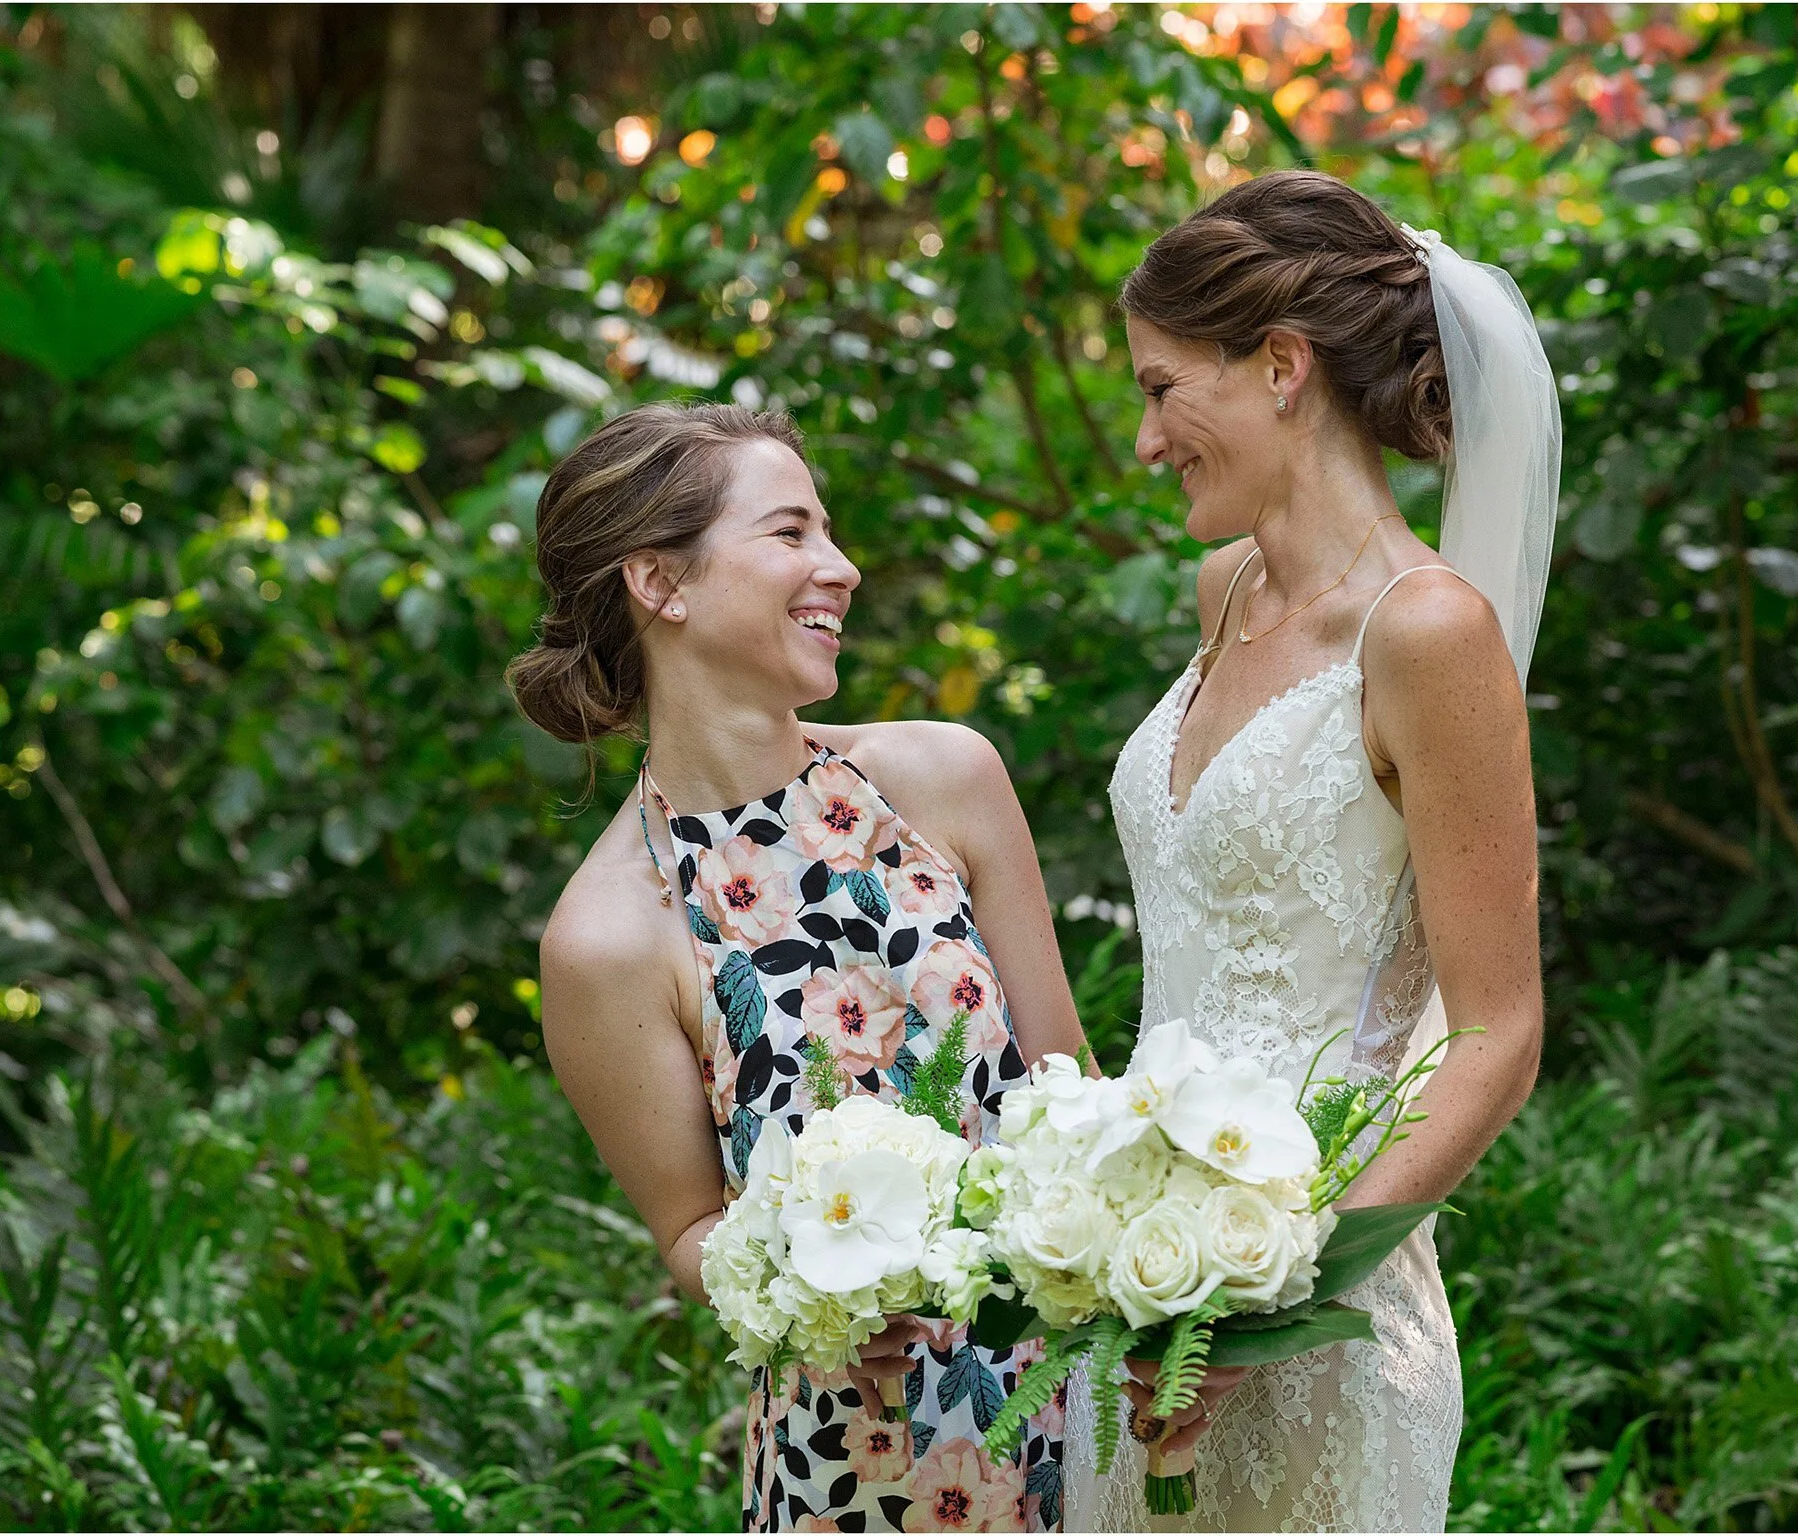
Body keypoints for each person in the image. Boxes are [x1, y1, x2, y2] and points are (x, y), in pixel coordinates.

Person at [1066, 170, 1559, 1530]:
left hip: (1318, 1327)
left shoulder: (1428, 633)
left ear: (1279, 367)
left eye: (1164, 390)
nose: (1149, 438)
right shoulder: (1223, 595)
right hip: (1139, 1305)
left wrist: (1283, 1285)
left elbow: (1498, 1034)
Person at [510, 402, 1084, 1532]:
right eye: (791, 534)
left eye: (829, 532)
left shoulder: (945, 779)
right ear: (658, 583)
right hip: (852, 1471)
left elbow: (1068, 1083)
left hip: (1078, 1405)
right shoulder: (609, 939)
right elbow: (689, 1231)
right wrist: (809, 1297)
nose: (842, 567)